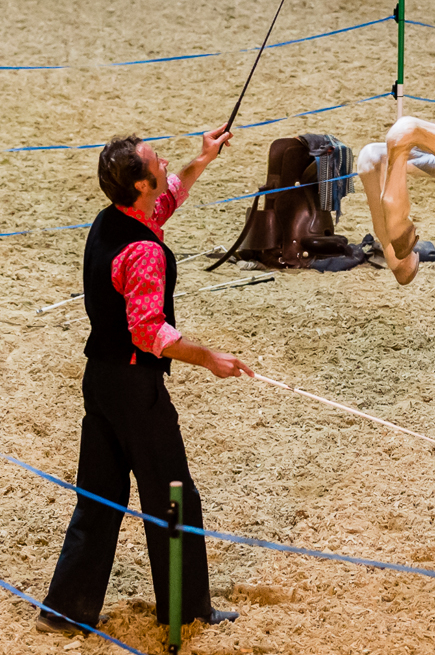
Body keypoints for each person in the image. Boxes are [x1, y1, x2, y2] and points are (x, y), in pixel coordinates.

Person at [38, 127, 252, 636]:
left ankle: (65, 611)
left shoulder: (112, 219)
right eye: (155, 162)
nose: (162, 165)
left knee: (99, 495)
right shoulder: (145, 253)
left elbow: (167, 199)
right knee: (173, 497)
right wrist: (209, 357)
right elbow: (149, 331)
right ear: (139, 184)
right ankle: (187, 611)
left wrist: (203, 158)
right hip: (137, 389)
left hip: (100, 381)